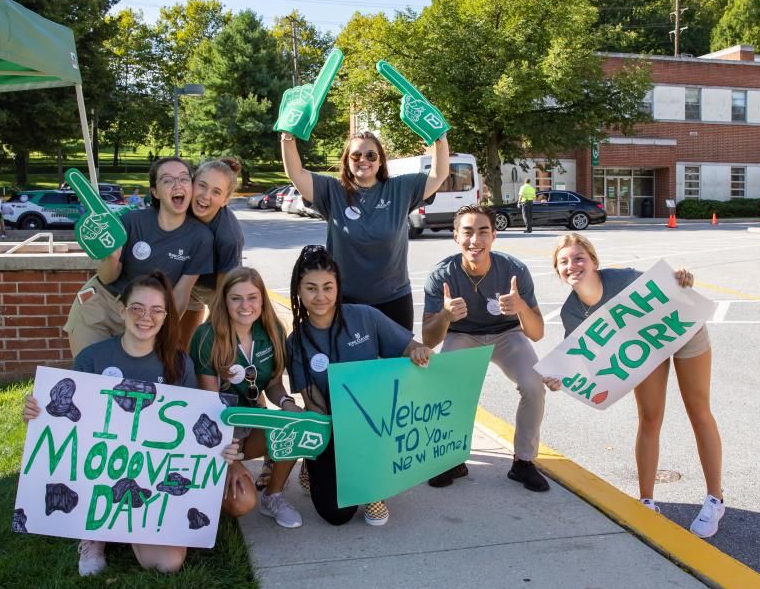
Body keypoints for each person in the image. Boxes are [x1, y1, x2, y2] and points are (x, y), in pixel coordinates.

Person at [24, 271, 240, 575]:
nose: (146, 317)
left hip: (151, 477)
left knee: (169, 563)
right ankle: (94, 532)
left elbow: (194, 428)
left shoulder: (179, 364)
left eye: (156, 310)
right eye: (137, 308)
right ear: (123, 310)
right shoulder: (92, 358)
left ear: (165, 317)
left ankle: (132, 523)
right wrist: (40, 412)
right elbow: (71, 423)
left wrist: (220, 448)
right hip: (99, 469)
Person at [546, 234, 724, 537]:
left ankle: (714, 499)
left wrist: (683, 277)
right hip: (644, 348)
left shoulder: (623, 279)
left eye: (578, 258)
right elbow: (576, 359)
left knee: (698, 410)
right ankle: (646, 501)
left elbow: (672, 284)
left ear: (594, 262)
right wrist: (557, 379)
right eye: (563, 262)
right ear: (558, 271)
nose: (572, 265)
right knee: (650, 417)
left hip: (682, 327)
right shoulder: (571, 312)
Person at [287, 245, 432, 527]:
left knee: (366, 485)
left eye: (328, 287)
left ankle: (374, 487)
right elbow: (313, 401)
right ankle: (314, 463)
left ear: (338, 287)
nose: (320, 297)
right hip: (330, 425)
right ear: (299, 291)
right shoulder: (296, 341)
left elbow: (409, 348)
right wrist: (343, 441)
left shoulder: (365, 316)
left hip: (374, 423)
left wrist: (418, 353)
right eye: (311, 288)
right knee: (336, 515)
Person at [421, 204, 549, 492]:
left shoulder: (514, 270)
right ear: (455, 236)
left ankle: (523, 462)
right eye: (467, 232)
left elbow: (537, 333)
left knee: (533, 384)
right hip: (463, 334)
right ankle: (452, 458)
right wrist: (445, 315)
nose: (475, 240)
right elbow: (428, 340)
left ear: (494, 236)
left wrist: (521, 309)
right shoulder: (442, 275)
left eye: (483, 232)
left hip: (506, 334)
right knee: (446, 387)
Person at [281, 130, 449, 330]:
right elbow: (296, 173)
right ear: (347, 161)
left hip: (394, 299)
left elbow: (439, 175)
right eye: (356, 155)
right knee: (352, 361)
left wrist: (440, 138)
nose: (364, 160)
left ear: (380, 161)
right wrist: (288, 136)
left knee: (396, 361)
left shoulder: (400, 188)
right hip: (345, 300)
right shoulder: (332, 191)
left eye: (371, 155)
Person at [63, 157, 214, 358]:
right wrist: (112, 257)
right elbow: (106, 278)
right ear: (155, 192)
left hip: (145, 317)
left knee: (134, 384)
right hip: (102, 306)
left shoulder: (201, 237)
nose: (177, 185)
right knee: (91, 378)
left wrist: (164, 332)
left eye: (184, 179)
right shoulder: (131, 221)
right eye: (167, 180)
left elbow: (180, 295)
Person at [190, 266, 302, 528]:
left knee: (293, 426)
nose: (245, 305)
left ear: (262, 298)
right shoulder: (206, 336)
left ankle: (273, 496)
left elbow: (273, 384)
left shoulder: (272, 330)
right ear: (224, 301)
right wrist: (230, 461)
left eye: (252, 297)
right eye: (236, 298)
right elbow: (209, 405)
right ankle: (208, 485)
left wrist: (286, 403)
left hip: (251, 421)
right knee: (240, 504)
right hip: (217, 432)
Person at [179, 157, 245, 346]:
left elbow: (224, 291)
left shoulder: (229, 237)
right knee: (179, 344)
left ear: (225, 200)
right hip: (186, 277)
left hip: (214, 287)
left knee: (212, 341)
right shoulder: (180, 205)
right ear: (192, 183)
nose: (206, 196)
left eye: (216, 192)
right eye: (202, 186)